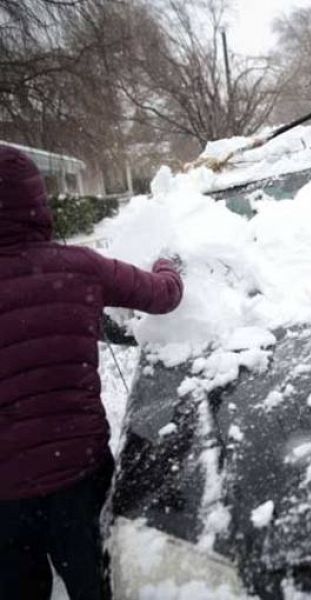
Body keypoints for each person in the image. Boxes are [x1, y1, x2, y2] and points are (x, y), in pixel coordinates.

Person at [0, 145, 184, 599]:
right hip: (79, 480)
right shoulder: (79, 268)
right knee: (97, 587)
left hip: (3, 499)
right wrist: (168, 262)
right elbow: (164, 295)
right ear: (36, 204)